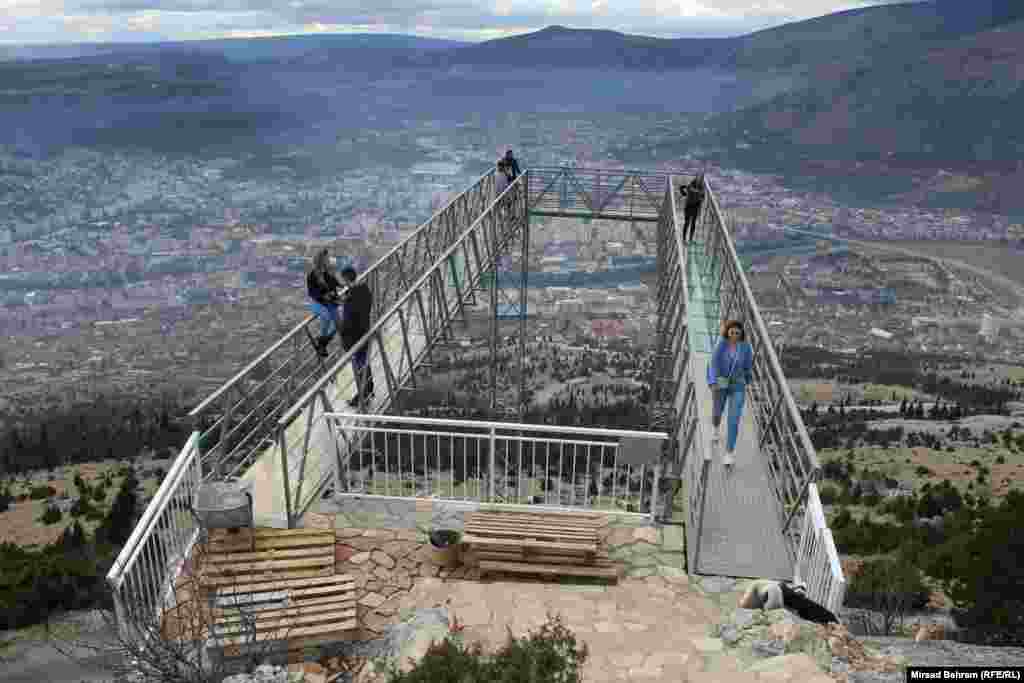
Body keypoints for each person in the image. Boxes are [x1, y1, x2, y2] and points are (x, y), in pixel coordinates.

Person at [706, 319, 754, 467]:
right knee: (717, 411)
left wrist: (748, 379)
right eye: (731, 332)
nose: (734, 335)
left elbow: (747, 365)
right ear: (727, 332)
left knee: (734, 419)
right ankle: (715, 428)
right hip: (720, 382)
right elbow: (713, 363)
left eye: (737, 333)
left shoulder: (745, 347)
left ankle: (729, 453)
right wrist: (712, 381)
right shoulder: (721, 344)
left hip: (737, 384)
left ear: (741, 334)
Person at [339, 265, 375, 408]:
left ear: (346, 279)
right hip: (365, 331)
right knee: (364, 362)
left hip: (355, 337)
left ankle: (362, 396)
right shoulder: (365, 290)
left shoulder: (351, 297)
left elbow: (348, 319)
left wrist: (343, 334)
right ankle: (368, 390)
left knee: (359, 366)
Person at [306, 248, 343, 358]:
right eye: (327, 258)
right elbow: (311, 293)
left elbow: (336, 285)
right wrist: (323, 296)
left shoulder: (328, 272)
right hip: (317, 303)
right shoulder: (312, 275)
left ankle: (322, 343)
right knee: (326, 317)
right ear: (321, 260)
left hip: (330, 302)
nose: (329, 260)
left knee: (338, 324)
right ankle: (321, 344)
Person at [680, 174, 705, 242]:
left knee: (693, 223)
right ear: (696, 178)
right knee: (687, 222)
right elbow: (688, 189)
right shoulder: (691, 184)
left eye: (701, 179)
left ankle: (690, 238)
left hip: (696, 207)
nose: (700, 180)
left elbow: (703, 197)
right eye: (699, 178)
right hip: (689, 206)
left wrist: (700, 197)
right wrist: (698, 193)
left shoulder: (701, 187)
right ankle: (684, 239)